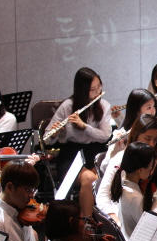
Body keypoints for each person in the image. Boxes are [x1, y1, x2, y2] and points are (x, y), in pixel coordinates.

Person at [43, 67, 111, 218]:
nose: (98, 92)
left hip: (96, 152)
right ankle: (87, 222)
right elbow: (47, 139)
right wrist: (56, 133)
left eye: (99, 86)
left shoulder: (104, 105)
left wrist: (84, 127)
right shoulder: (68, 106)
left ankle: (104, 221)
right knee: (89, 179)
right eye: (93, 89)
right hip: (72, 154)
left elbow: (105, 136)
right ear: (82, 90)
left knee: (107, 178)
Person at [96, 114, 157, 224]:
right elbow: (102, 196)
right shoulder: (120, 159)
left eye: (155, 140)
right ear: (136, 135)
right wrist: (117, 222)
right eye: (147, 139)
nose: (151, 145)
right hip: (126, 216)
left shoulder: (155, 157)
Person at [102, 88, 157, 172]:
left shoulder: (155, 131)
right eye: (149, 107)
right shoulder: (121, 135)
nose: (153, 112)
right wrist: (115, 151)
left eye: (154, 106)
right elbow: (104, 169)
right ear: (137, 111)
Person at [110, 142, 156, 241]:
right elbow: (148, 231)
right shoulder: (134, 197)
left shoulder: (122, 186)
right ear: (140, 170)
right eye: (151, 166)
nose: (151, 170)